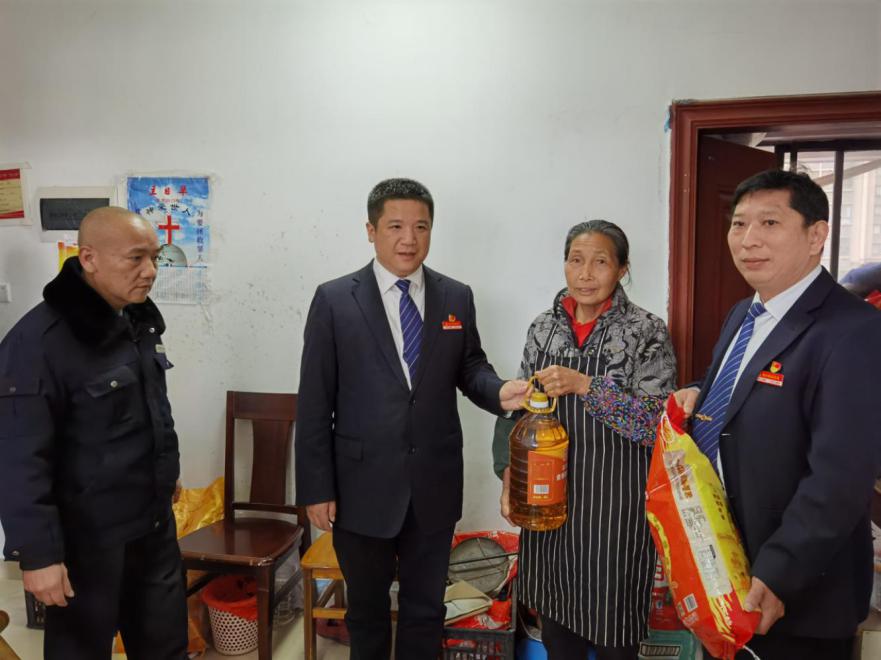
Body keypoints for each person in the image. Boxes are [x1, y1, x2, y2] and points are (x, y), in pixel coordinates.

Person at [295, 178, 528, 660]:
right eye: (396, 226)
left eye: (421, 227)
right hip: (360, 486)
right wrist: (316, 487)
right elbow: (315, 400)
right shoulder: (335, 300)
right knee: (367, 613)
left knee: (425, 610)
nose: (409, 239)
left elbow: (470, 367)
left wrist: (500, 392)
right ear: (371, 230)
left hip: (433, 482)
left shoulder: (456, 296)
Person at [673, 169, 881, 660]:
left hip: (793, 592)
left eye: (769, 223)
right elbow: (742, 388)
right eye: (739, 223)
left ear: (816, 235)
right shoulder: (745, 313)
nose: (748, 240)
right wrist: (699, 392)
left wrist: (779, 572)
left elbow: (840, 478)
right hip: (727, 570)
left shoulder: (854, 330)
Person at [0, 207, 187, 660]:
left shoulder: (135, 319)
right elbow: (18, 457)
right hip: (85, 541)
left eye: (156, 257)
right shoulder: (39, 342)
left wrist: (165, 470)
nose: (151, 271)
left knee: (166, 649)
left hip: (152, 524)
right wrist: (39, 556)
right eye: (136, 258)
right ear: (89, 258)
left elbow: (147, 409)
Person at [495, 220, 677, 660]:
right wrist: (509, 479)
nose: (586, 274)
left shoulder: (646, 330)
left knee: (615, 632)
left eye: (600, 262)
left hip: (614, 506)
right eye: (576, 260)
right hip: (547, 501)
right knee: (558, 633)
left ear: (622, 269)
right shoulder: (544, 328)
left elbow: (654, 422)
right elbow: (518, 409)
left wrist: (586, 386)